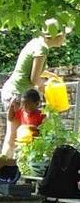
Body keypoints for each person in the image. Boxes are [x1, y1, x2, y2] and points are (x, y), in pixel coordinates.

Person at [1, 18, 71, 160]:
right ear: (55, 36)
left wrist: (50, 75)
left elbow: (33, 71)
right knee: (13, 137)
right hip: (17, 94)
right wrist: (48, 92)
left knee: (20, 136)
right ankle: (5, 175)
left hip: (15, 91)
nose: (65, 37)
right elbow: (34, 79)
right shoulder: (42, 49)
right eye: (64, 34)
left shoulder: (36, 43)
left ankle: (11, 173)